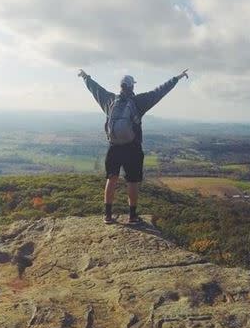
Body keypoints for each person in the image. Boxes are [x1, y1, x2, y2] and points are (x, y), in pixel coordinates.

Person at [78, 68, 189, 224]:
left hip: (114, 147)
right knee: (132, 181)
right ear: (132, 86)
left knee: (111, 179)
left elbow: (95, 89)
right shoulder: (138, 102)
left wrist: (85, 77)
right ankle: (132, 216)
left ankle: (108, 216)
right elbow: (159, 92)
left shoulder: (109, 100)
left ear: (121, 86)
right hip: (132, 148)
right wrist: (175, 79)